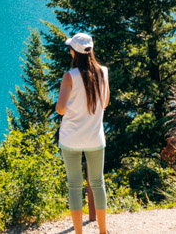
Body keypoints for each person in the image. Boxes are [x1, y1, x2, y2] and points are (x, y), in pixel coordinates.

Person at [56, 32, 109, 234]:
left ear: (74, 53)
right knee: (98, 183)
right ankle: (103, 231)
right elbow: (104, 103)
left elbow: (60, 109)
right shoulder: (103, 72)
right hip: (95, 137)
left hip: (71, 138)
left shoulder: (69, 77)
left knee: (75, 186)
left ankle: (79, 232)